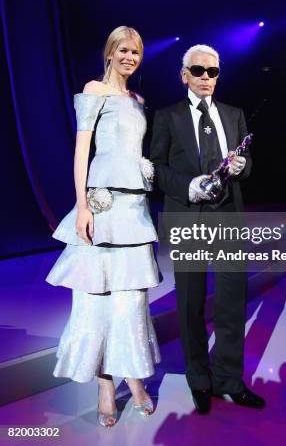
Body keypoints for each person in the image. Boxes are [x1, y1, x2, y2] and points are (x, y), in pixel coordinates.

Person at [46, 26, 161, 427]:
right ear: (110, 52)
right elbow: (82, 151)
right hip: (102, 204)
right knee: (96, 298)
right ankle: (105, 387)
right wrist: (82, 206)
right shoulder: (94, 90)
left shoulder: (138, 99)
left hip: (134, 209)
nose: (131, 57)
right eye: (124, 50)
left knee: (131, 302)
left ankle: (135, 378)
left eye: (137, 52)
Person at [150, 44, 265, 414]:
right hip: (189, 219)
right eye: (198, 71)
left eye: (212, 72)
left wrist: (241, 166)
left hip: (228, 216)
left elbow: (248, 166)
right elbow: (155, 168)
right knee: (190, 303)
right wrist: (189, 186)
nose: (205, 78)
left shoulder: (234, 114)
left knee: (232, 302)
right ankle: (199, 378)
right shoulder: (167, 116)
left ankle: (229, 380)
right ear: (184, 75)